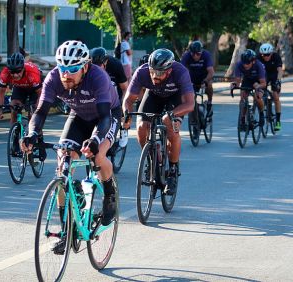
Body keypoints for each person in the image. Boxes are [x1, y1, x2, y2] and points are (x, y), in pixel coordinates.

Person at [20, 40, 121, 245]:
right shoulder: (53, 78)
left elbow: (104, 118)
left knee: (98, 155)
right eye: (62, 68)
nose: (66, 74)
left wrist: (94, 140)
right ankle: (66, 229)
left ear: (85, 66)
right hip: (79, 116)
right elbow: (40, 112)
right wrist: (31, 134)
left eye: (72, 69)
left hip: (106, 116)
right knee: (62, 167)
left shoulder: (98, 77)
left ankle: (110, 195)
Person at [122, 48, 194, 195]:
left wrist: (173, 114)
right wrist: (126, 115)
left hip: (175, 98)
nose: (155, 75)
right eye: (152, 71)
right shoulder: (142, 72)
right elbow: (128, 99)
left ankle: (172, 171)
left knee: (170, 126)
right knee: (142, 126)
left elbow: (190, 104)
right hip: (153, 96)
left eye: (160, 73)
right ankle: (151, 160)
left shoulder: (180, 72)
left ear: (169, 70)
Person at [91, 47, 129, 147]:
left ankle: (124, 130)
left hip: (115, 94)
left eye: (100, 65)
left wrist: (124, 106)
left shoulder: (115, 65)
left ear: (106, 61)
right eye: (95, 66)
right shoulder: (89, 67)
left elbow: (125, 88)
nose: (97, 69)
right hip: (100, 95)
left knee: (122, 114)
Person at [0, 52, 42, 125]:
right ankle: (14, 133)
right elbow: (1, 91)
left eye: (18, 71)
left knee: (33, 114)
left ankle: (35, 133)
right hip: (20, 87)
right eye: (12, 72)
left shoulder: (32, 73)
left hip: (34, 89)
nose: (15, 75)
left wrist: (37, 106)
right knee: (14, 108)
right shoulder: (5, 73)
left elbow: (40, 93)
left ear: (23, 68)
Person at [231, 49, 266, 129]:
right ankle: (243, 118)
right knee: (243, 98)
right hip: (247, 79)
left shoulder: (258, 65)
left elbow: (264, 83)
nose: (245, 65)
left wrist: (258, 86)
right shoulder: (239, 64)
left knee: (258, 97)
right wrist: (234, 85)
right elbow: (238, 80)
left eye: (247, 63)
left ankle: (261, 114)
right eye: (244, 63)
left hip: (259, 80)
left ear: (253, 61)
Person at [181, 40, 215, 116]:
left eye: (198, 54)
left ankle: (209, 103)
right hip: (192, 79)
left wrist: (205, 81)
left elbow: (211, 71)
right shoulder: (186, 56)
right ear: (190, 52)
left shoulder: (206, 55)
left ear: (201, 52)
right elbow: (181, 70)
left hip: (204, 78)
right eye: (193, 54)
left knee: (209, 85)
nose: (195, 56)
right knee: (191, 98)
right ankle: (195, 114)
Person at [258, 43, 283, 131]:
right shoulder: (258, 57)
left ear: (271, 53)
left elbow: (279, 70)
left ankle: (278, 121)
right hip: (263, 75)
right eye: (264, 55)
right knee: (259, 92)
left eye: (268, 55)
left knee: (276, 97)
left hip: (274, 75)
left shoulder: (276, 57)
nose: (266, 57)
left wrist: (278, 80)